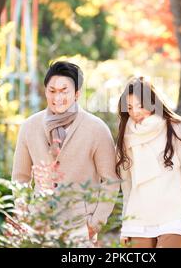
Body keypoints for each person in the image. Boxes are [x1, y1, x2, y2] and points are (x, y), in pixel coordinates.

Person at [12, 61, 119, 246]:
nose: (57, 97)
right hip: (40, 224)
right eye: (52, 90)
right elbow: (20, 177)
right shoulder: (29, 126)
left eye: (64, 90)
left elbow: (111, 180)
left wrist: (94, 224)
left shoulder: (96, 129)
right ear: (45, 90)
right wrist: (25, 214)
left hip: (80, 226)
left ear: (77, 94)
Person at [116, 76, 181, 248]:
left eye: (140, 105)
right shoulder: (126, 137)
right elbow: (127, 187)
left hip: (173, 218)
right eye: (130, 108)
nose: (135, 113)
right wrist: (125, 225)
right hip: (138, 220)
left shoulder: (177, 128)